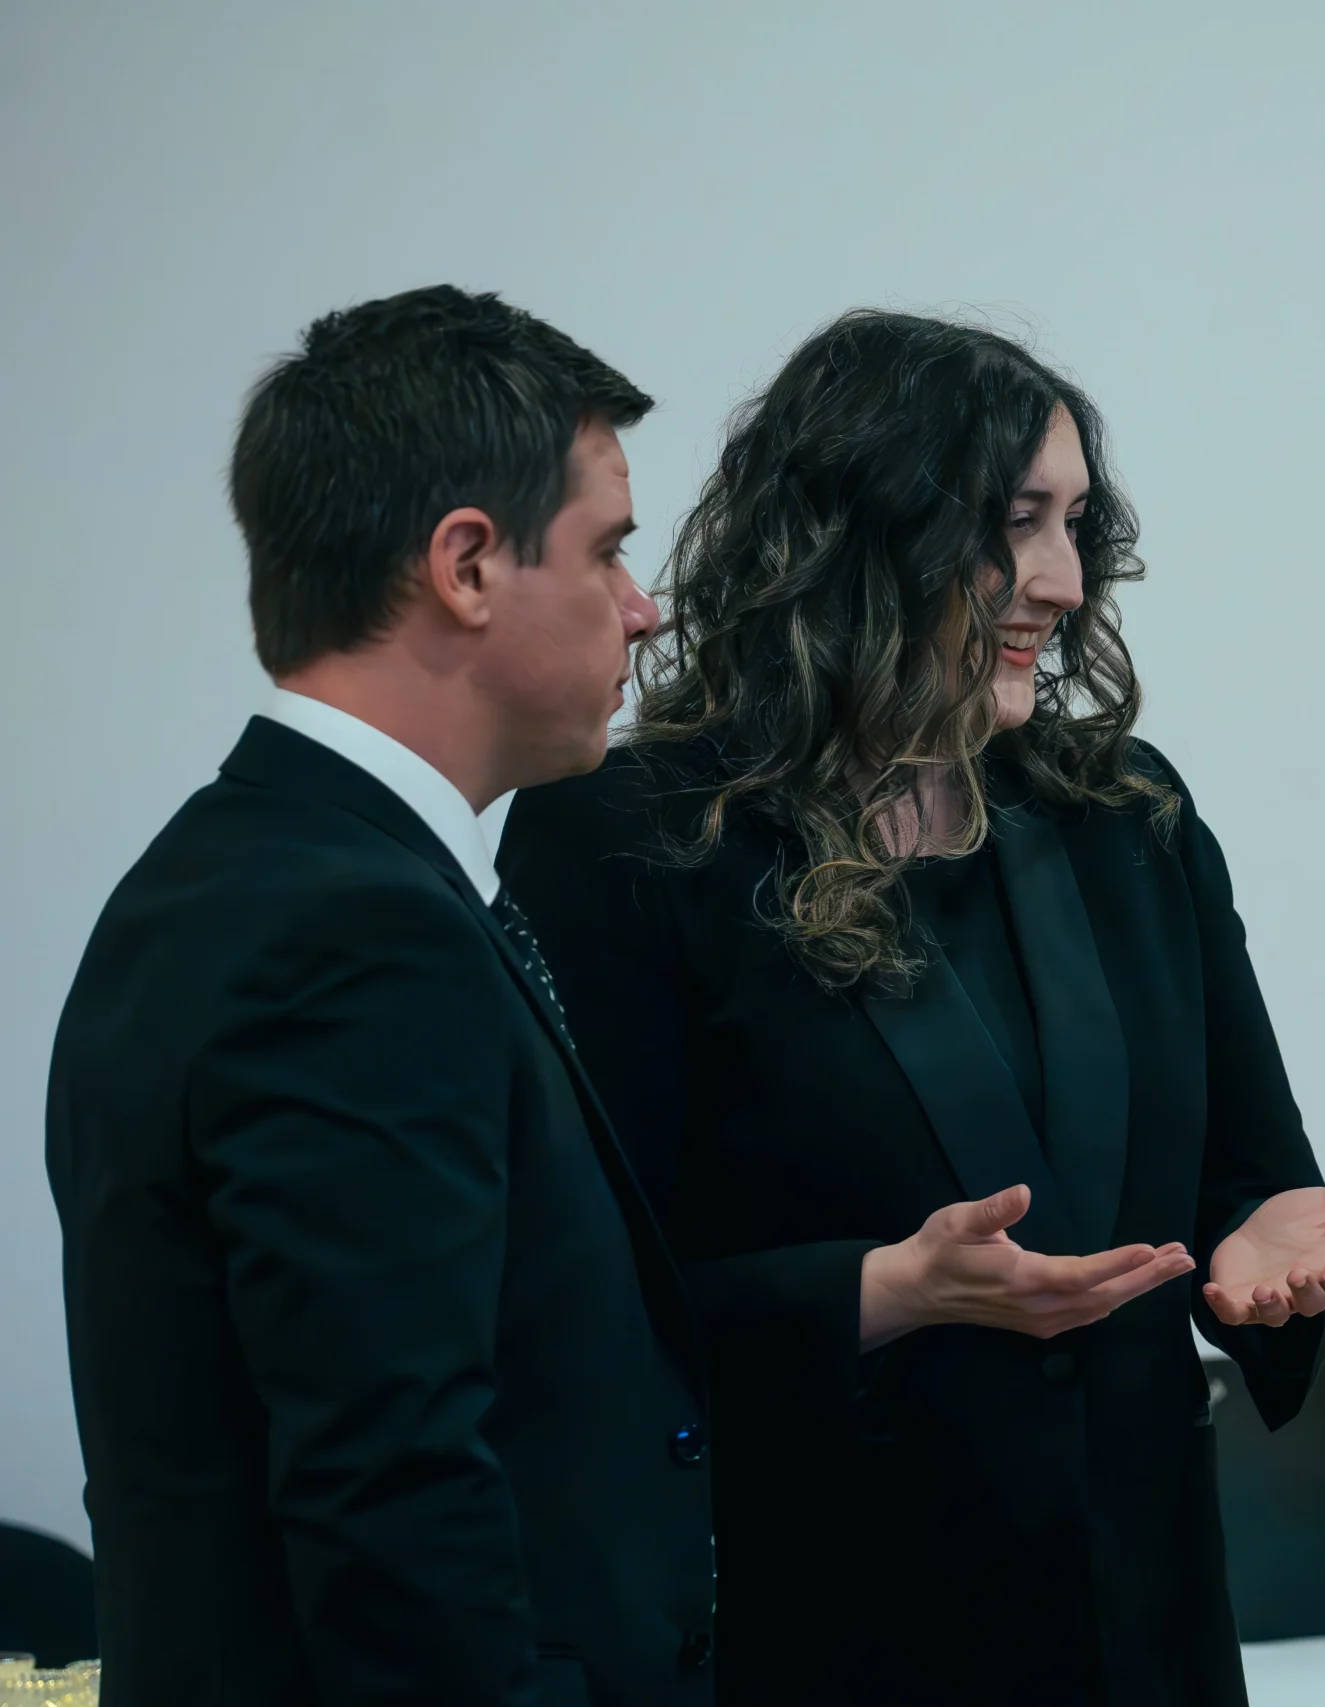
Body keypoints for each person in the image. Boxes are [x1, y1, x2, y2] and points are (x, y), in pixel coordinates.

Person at [496, 310, 1325, 1706]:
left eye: (1074, 524)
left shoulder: (1130, 813)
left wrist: (1280, 1252)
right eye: (1012, 522)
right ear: (859, 535)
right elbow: (588, 1308)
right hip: (838, 1636)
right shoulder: (630, 834)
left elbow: (1250, 1181)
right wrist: (880, 1292)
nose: (1058, 577)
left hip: (1145, 1640)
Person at [48, 287, 715, 1706]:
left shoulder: (241, 871)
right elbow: (391, 1494)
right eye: (610, 551)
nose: (646, 608)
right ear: (466, 564)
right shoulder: (350, 929)